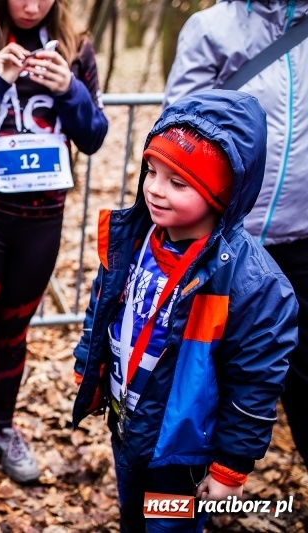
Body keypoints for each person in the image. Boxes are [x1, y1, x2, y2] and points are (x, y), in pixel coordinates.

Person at [72, 89, 297, 532]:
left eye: (178, 183)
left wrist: (231, 466)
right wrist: (89, 367)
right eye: (151, 172)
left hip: (185, 449)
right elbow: (103, 306)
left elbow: (255, 380)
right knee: (134, 513)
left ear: (221, 192)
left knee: (170, 522)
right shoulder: (135, 239)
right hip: (130, 425)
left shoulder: (252, 284)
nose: (154, 189)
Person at [0, 0, 108, 502]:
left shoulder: (77, 52)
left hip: (42, 219)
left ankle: (3, 428)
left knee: (15, 329)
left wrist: (68, 89)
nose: (32, 5)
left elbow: (94, 135)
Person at [164, 0, 308, 469]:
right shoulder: (212, 27)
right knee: (199, 373)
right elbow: (177, 136)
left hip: (303, 239)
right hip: (225, 244)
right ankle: (181, 490)